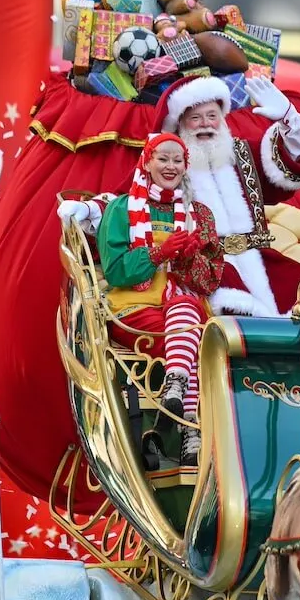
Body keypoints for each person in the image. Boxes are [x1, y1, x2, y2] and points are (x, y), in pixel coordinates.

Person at [150, 75, 300, 318]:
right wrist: (90, 211)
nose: (205, 123)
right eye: (195, 118)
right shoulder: (166, 166)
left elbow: (294, 158)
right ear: (180, 124)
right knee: (229, 297)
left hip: (259, 257)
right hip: (204, 265)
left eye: (212, 116)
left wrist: (289, 118)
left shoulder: (244, 154)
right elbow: (129, 200)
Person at [95, 133, 224, 467]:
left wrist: (187, 258)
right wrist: (158, 254)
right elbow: (116, 271)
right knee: (198, 340)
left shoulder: (200, 215)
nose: (170, 166)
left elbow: (209, 279)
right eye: (162, 158)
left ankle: (176, 387)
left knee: (190, 313)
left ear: (186, 165)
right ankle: (190, 432)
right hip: (135, 312)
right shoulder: (121, 208)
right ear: (147, 161)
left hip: (183, 311)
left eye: (177, 160)